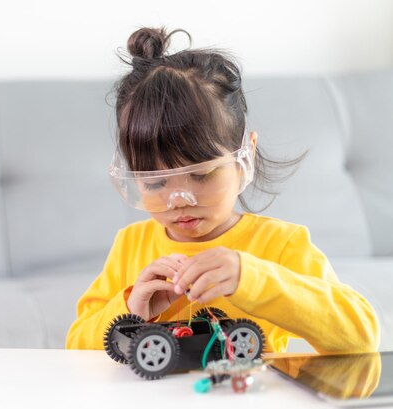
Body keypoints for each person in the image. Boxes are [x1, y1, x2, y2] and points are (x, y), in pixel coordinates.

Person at [65, 27, 380, 354]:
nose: (179, 202)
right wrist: (130, 308)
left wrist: (253, 279)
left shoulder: (281, 246)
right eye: (156, 182)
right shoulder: (130, 246)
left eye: (201, 175)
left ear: (245, 155)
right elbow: (76, 347)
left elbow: (361, 336)